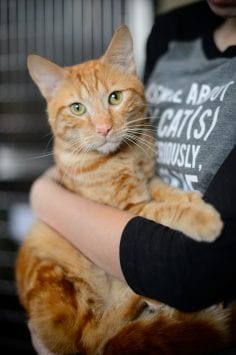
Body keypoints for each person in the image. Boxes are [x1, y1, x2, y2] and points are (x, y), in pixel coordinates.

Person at [29, 0, 236, 353]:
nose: (104, 125)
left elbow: (195, 270)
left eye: (113, 98)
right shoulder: (172, 32)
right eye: (78, 108)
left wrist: (43, 197)